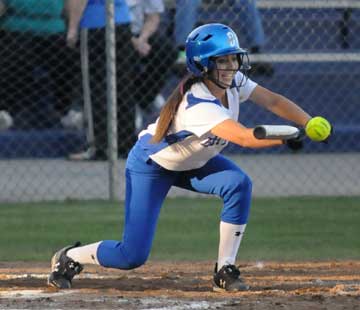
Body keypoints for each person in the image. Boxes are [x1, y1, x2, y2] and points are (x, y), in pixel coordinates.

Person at [47, 23, 328, 291]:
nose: (231, 67)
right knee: (131, 256)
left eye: (233, 59)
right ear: (203, 66)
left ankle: (224, 270)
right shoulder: (197, 102)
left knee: (238, 184)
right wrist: (287, 137)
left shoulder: (233, 82)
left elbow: (273, 101)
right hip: (153, 166)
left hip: (194, 163)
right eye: (223, 61)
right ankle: (70, 256)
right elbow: (243, 137)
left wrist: (308, 121)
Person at [65, 0, 136, 160]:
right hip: (122, 21)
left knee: (95, 87)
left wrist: (72, 27)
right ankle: (125, 143)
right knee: (122, 85)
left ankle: (99, 145)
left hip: (95, 23)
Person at [0, 0, 76, 129]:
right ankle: (5, 111)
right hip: (17, 26)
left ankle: (65, 111)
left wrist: (72, 26)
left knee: (67, 61)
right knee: (13, 58)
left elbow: (69, 4)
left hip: (54, 27)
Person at [127, 0, 177, 129]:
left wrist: (142, 39)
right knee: (126, 56)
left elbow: (153, 18)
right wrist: (134, 42)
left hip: (141, 33)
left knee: (166, 52)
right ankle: (129, 105)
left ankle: (144, 98)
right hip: (115, 34)